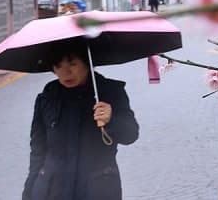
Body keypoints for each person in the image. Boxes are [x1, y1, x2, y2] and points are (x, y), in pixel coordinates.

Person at [23, 43, 139, 200]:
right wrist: (28, 193)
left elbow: (131, 134)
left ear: (87, 62)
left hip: (98, 189)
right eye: (58, 65)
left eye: (72, 63)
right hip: (52, 190)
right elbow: (38, 151)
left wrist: (111, 119)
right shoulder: (46, 99)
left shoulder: (110, 92)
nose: (66, 72)